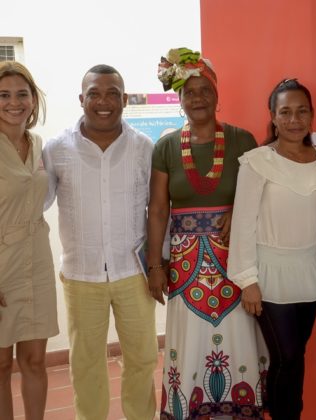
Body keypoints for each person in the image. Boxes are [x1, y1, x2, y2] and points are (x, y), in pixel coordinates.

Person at [148, 48, 266, 420]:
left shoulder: (242, 140)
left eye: (204, 90)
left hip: (236, 260)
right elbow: (158, 210)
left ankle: (241, 408)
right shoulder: (166, 146)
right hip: (184, 267)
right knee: (189, 343)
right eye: (189, 91)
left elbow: (263, 194)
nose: (197, 97)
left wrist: (238, 210)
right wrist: (155, 264)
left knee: (241, 338)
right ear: (179, 98)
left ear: (217, 94)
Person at [43, 64, 158, 420]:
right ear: (82, 99)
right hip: (81, 275)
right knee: (86, 362)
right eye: (94, 93)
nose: (103, 101)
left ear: (124, 99)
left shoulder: (144, 148)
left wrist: (158, 265)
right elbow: (36, 203)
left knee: (142, 358)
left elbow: (157, 210)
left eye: (112, 94)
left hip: (132, 274)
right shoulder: (56, 149)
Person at [227, 78, 316, 420]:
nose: (294, 119)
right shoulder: (257, 161)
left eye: (301, 111)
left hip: (310, 273)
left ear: (312, 115)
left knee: (296, 356)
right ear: (273, 116)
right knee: (285, 357)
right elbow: (242, 224)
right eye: (285, 112)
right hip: (268, 275)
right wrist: (247, 280)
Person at [0, 61, 58, 420]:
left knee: (35, 360)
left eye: (22, 94)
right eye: (3, 95)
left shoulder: (38, 144)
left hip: (36, 258)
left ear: (34, 101)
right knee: (1, 363)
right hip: (2, 262)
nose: (14, 102)